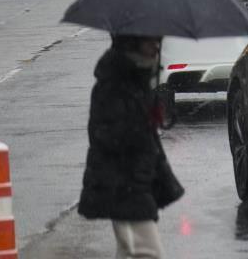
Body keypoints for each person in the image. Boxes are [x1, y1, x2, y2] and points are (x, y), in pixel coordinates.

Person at [78, 35, 184, 259]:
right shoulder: (114, 84)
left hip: (135, 183)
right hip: (123, 185)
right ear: (131, 42)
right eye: (149, 41)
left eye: (158, 40)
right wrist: (140, 125)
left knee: (131, 251)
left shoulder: (137, 80)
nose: (156, 46)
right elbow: (104, 135)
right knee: (147, 253)